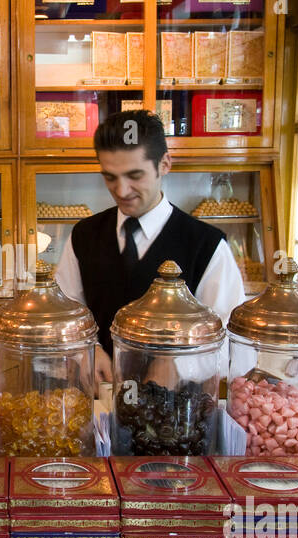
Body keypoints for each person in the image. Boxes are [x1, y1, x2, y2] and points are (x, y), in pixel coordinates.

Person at [55, 109, 246, 384]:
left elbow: (233, 340)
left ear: (164, 164)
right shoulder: (83, 236)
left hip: (178, 412)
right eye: (110, 177)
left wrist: (181, 366)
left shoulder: (206, 245)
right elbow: (67, 310)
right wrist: (86, 349)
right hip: (99, 401)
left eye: (135, 175)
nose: (121, 190)